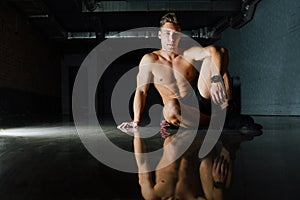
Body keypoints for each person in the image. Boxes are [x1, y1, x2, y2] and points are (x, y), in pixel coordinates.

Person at [118, 13, 261, 133]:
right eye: (167, 34)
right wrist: (136, 121)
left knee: (214, 56)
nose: (171, 39)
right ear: (160, 35)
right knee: (171, 108)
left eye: (176, 34)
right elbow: (142, 91)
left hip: (200, 103)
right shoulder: (150, 60)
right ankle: (224, 121)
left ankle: (224, 117)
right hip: (176, 112)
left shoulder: (188, 55)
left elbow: (220, 53)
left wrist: (219, 83)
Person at [124, 126, 232, 200]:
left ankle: (218, 133)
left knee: (175, 149)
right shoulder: (190, 198)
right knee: (218, 188)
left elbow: (142, 162)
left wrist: (136, 133)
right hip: (198, 151)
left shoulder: (151, 195)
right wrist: (219, 184)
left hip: (175, 139)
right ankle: (228, 145)